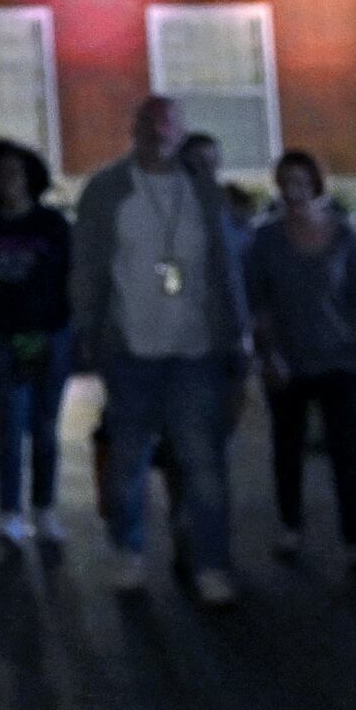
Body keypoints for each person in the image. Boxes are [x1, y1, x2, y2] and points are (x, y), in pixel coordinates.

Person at [73, 94, 252, 605]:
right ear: (134, 130)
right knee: (127, 461)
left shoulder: (202, 191)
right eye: (149, 124)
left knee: (203, 463)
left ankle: (210, 562)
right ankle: (128, 551)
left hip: (195, 348)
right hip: (130, 348)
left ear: (182, 131)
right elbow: (88, 265)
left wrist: (235, 332)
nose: (159, 134)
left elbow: (226, 266)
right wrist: (90, 331)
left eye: (168, 125)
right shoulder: (108, 190)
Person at [243, 149, 356, 578]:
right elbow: (256, 302)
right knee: (287, 448)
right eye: (287, 182)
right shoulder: (266, 240)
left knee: (346, 452)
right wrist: (267, 354)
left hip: (340, 358)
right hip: (287, 361)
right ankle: (291, 526)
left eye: (301, 182)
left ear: (315, 185)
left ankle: (355, 540)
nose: (294, 191)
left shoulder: (343, 237)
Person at [0, 140, 72, 550]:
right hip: (1, 336)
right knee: (10, 424)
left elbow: (72, 279)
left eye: (15, 173)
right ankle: (9, 512)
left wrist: (73, 329)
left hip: (49, 334)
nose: (9, 181)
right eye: (0, 174)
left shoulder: (52, 225)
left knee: (45, 426)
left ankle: (44, 509)